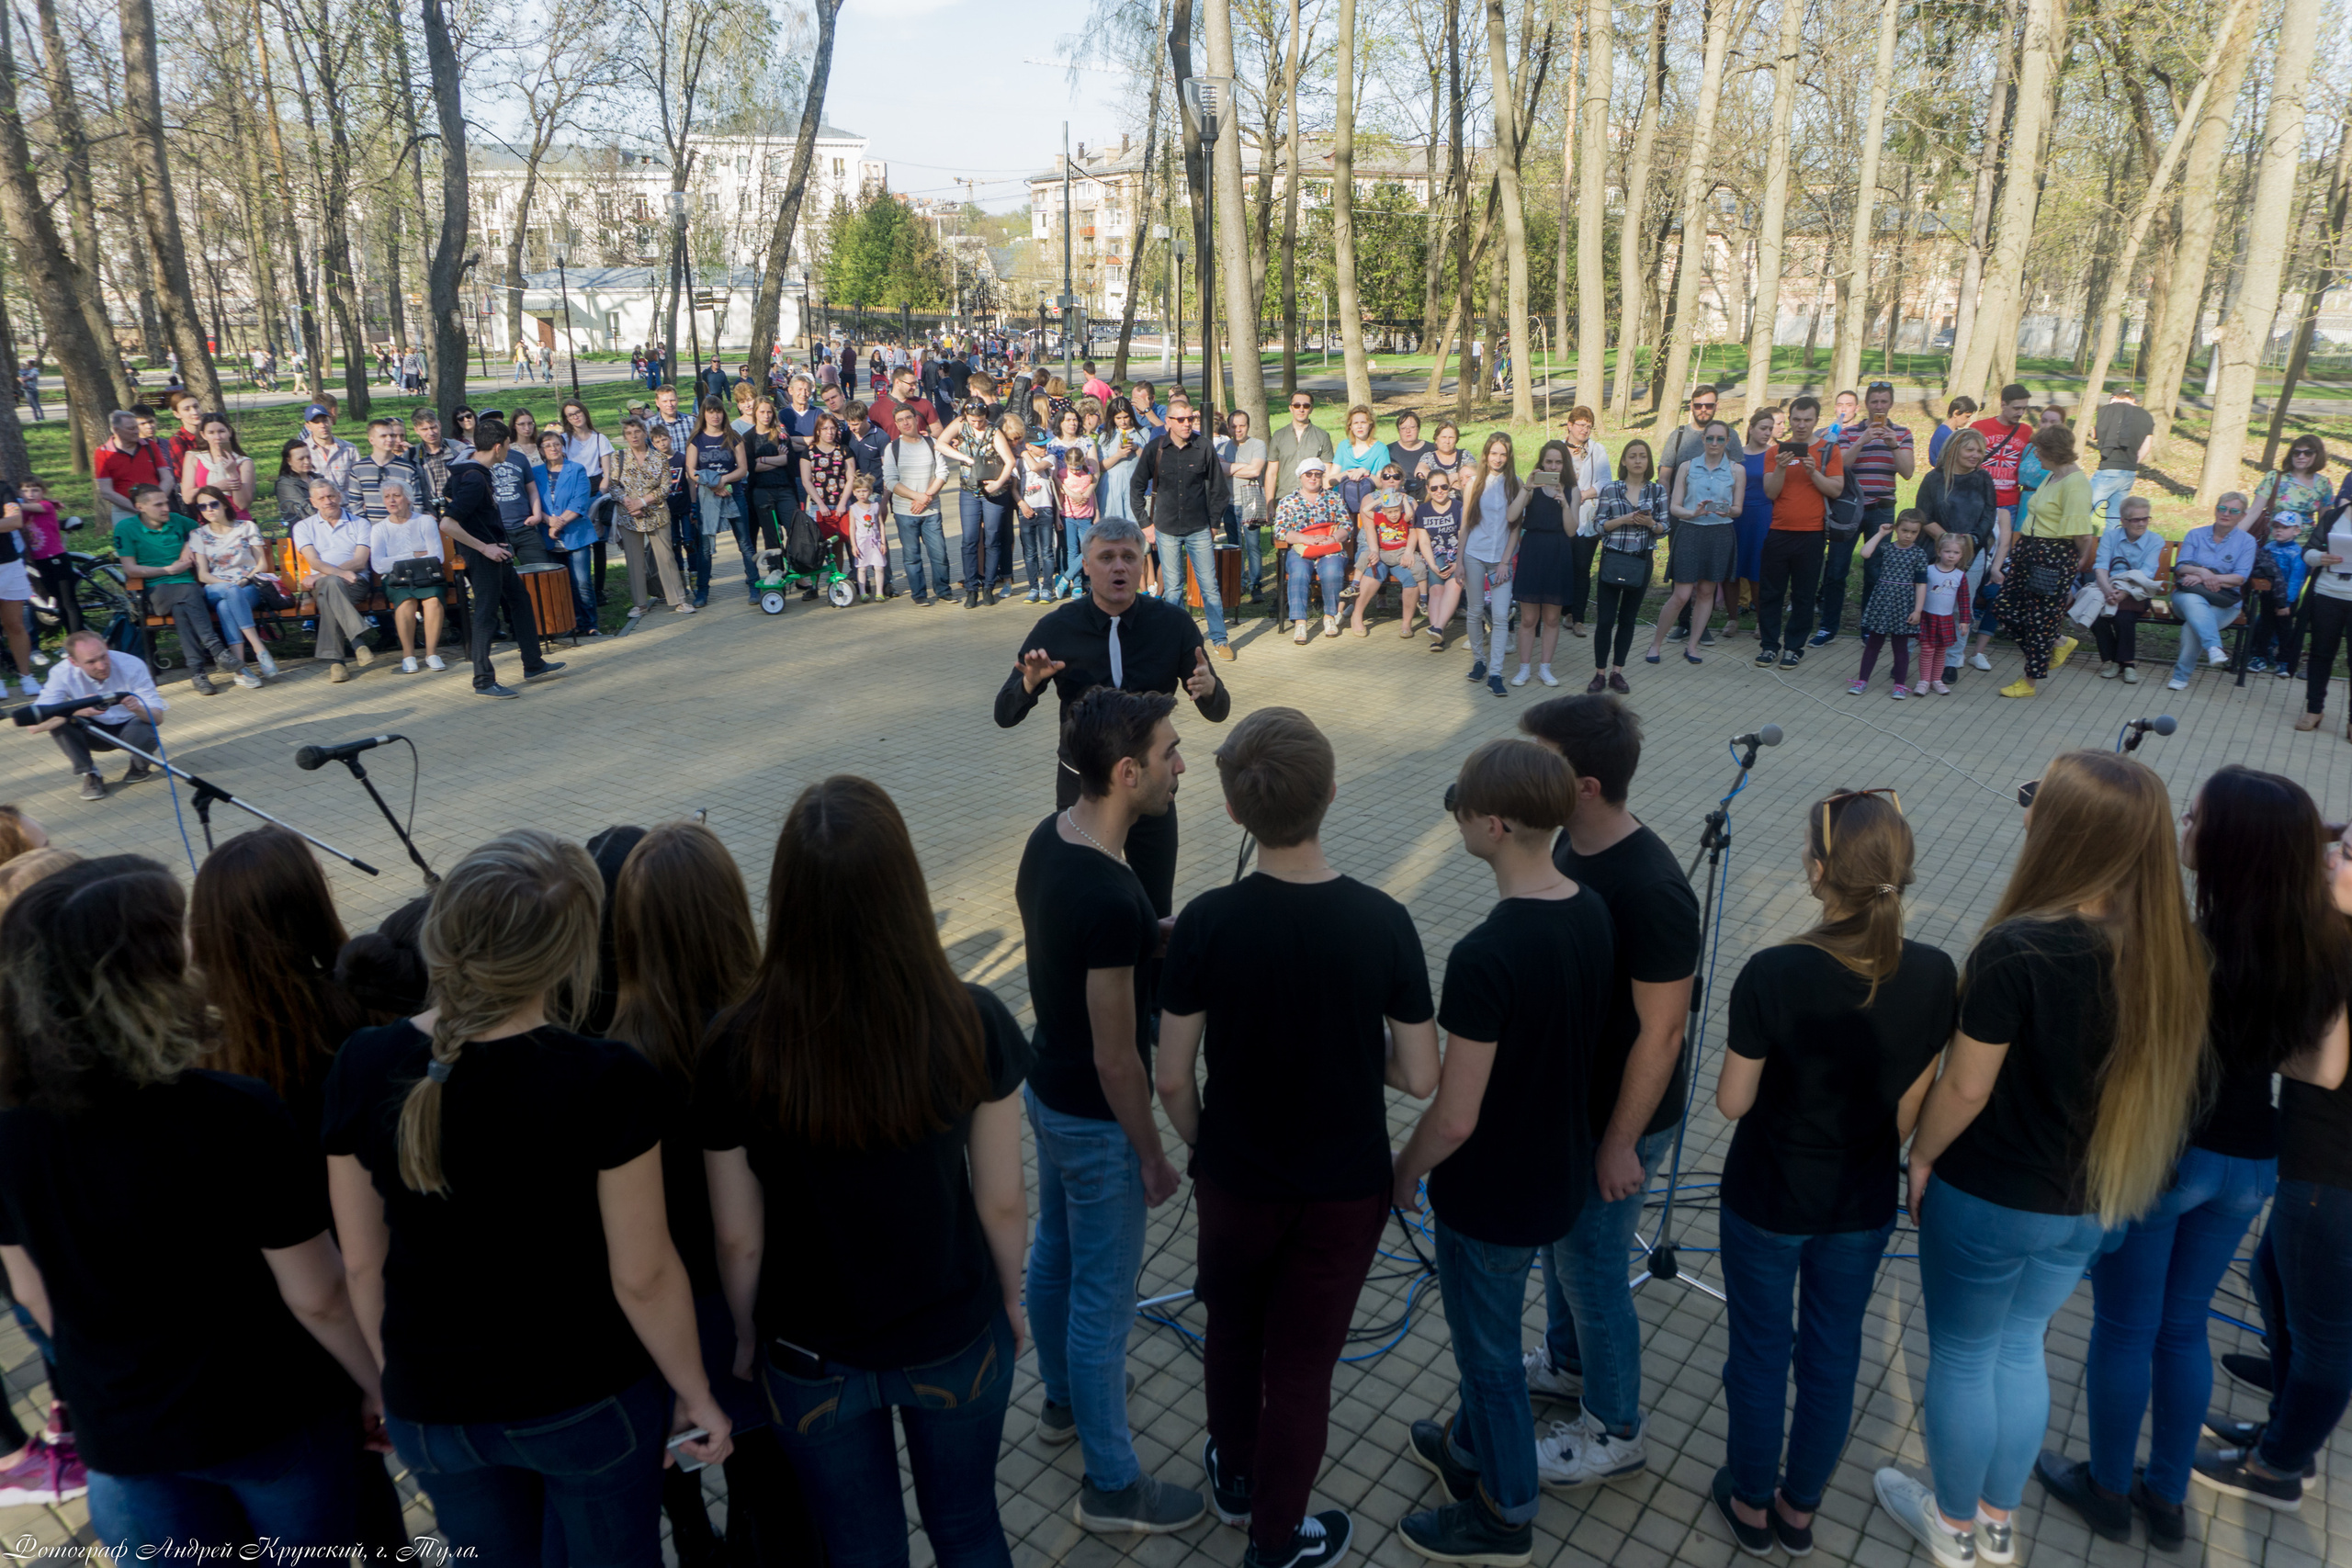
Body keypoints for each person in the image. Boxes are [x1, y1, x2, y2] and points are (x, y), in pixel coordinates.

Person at [322, 829, 734, 1562]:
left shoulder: (362, 1061)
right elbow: (643, 1274)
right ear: (570, 955)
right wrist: (694, 1389)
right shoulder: (608, 1079)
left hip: (434, 1406)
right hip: (587, 1401)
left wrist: (396, 1378)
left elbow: (360, 1262)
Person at [1876, 751, 2207, 1568]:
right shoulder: (2175, 949)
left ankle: (1950, 1526)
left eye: (2036, 796)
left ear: (2065, 828)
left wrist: (1920, 1158)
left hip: (1988, 1195)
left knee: (1961, 1353)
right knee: (2021, 1347)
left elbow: (1964, 1088)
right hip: (2091, 1199)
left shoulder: (2016, 947)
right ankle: (1995, 1522)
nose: (2023, 804)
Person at [0, 855, 387, 1553]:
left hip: (124, 1433)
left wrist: (120, 1375)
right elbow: (319, 1294)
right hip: (272, 1417)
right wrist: (378, 1383)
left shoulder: (9, 1131)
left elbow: (31, 1290)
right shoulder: (233, 1112)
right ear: (147, 977)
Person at [695, 783, 1026, 1566]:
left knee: (860, 1549)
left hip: (809, 1355)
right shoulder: (973, 1019)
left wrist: (745, 1335)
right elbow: (1004, 1199)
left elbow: (738, 1236)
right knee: (971, 1527)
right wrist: (1010, 1298)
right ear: (906, 888)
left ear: (785, 897)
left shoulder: (736, 1045)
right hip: (954, 1333)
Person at [2027, 769, 2352, 1545]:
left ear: (2227, 845)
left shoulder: (2182, 943)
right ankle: (2167, 1498)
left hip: (2168, 1158)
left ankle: (2107, 1487)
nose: (2183, 829)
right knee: (2183, 1328)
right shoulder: (2321, 940)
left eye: (2196, 818)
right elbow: (2323, 1070)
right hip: (2252, 1166)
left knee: (2126, 1328)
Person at [1156, 708, 1440, 1568]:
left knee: (1232, 1332)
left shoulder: (1204, 921)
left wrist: (1207, 1145)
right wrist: (1355, 1053)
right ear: (1332, 796)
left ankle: (1235, 1476)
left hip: (1237, 1175)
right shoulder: (1384, 919)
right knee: (1304, 1368)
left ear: (1235, 812)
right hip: (1343, 1187)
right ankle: (1276, 1540)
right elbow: (1422, 1074)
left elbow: (1172, 1074)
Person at [1710, 791, 1954, 1559]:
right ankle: (1798, 1505)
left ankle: (1748, 1501)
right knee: (1833, 1350)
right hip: (1861, 1195)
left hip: (1767, 1193)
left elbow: (1731, 1100)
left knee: (1757, 1348)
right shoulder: (1938, 971)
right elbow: (1913, 1104)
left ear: (1820, 872)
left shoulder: (1774, 970)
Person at [1392, 738, 1612, 1568]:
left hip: (1491, 1194)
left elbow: (1454, 1114)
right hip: (1556, 1174)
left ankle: (1505, 1512)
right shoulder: (1588, 908)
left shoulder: (1484, 955)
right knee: (1490, 1337)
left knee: (1487, 1355)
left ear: (1492, 825)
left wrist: (1403, 1169)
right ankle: (1469, 1452)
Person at [1012, 687, 1205, 1533]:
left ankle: (1062, 1401)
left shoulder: (1052, 838)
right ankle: (1112, 1485)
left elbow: (1078, 954)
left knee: (1055, 1254)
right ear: (1127, 772)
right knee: (1103, 1304)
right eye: (1169, 751)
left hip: (1045, 1093)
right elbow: (1118, 1055)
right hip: (1095, 1121)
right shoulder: (1108, 894)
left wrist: (1144, 936)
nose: (1180, 764)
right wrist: (1154, 1154)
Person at [1515, 696, 1700, 1490]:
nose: (1522, 773)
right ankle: (1564, 1364)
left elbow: (1663, 1033)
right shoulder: (1568, 843)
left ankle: (1615, 1426)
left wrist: (1621, 1140)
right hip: (1575, 1108)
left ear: (1585, 784)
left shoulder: (1653, 888)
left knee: (1592, 1268)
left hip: (1621, 1118)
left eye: (1538, 762)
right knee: (1564, 1251)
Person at [2196, 815, 2352, 1512]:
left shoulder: (2343, 948)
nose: (2328, 863)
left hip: (2330, 1169)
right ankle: (2286, 1426)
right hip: (2321, 1164)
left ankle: (2279, 1466)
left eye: (2344, 855)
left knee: (2325, 1335)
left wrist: (2255, 1049)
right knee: (2273, 1277)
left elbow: (2322, 1066)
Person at [995, 519, 1230, 918]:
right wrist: (1030, 684)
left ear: (1142, 564)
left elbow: (1218, 710)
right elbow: (1004, 714)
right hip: (1082, 782)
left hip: (1151, 783)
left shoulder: (1173, 625)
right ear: (1085, 565)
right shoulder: (1056, 627)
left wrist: (1210, 690)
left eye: (1128, 557)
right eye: (1106, 558)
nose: (1118, 567)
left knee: (1155, 908)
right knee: (1080, 899)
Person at [439, 416, 563, 700]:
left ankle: (533, 663)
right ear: (497, 447)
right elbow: (447, 524)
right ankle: (483, 680)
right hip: (485, 555)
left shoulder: (468, 469)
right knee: (485, 614)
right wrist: (484, 546)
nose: (509, 449)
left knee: (520, 600)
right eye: (508, 444)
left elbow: (447, 495)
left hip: (498, 551)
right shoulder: (472, 479)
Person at [1992, 423, 2092, 698]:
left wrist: (2079, 558)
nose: (2035, 455)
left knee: (2040, 621)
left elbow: (2082, 532)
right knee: (2005, 608)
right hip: (2030, 548)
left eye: (2040, 450)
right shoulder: (2052, 477)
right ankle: (2058, 642)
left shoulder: (2075, 484)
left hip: (2053, 556)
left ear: (2055, 452)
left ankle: (2030, 681)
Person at [119, 483, 249, 694]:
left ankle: (198, 674)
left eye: (166, 503)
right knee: (189, 592)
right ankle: (217, 650)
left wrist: (190, 544)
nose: (166, 508)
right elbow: (130, 569)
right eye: (158, 504)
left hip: (186, 592)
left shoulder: (179, 522)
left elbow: (201, 531)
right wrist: (168, 570)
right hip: (154, 591)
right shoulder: (126, 528)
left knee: (182, 608)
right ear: (140, 507)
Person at [1812, 382, 1914, 647]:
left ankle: (1869, 626)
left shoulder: (1902, 433)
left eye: (1884, 402)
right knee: (1836, 569)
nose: (1879, 406)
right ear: (1866, 404)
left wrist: (1893, 445)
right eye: (1874, 402)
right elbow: (1841, 466)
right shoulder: (1848, 432)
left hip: (1882, 510)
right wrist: (1862, 440)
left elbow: (1908, 472)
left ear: (1890, 404)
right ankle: (1828, 627)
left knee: (1875, 571)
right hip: (1848, 507)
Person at [1133, 396, 1235, 660]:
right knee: (1174, 589)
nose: (1188, 423)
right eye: (1181, 419)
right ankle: (1174, 640)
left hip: (1199, 527)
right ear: (1168, 422)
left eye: (1191, 418)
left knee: (1209, 586)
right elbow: (1134, 489)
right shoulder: (1155, 449)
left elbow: (1219, 491)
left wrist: (1213, 525)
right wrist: (1146, 524)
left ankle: (1220, 640)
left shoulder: (1204, 447)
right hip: (1165, 527)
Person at [1753, 396, 1846, 669]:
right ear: (1788, 420)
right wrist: (1782, 466)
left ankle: (1794, 647)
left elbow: (1836, 490)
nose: (1801, 425)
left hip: (1812, 534)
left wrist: (1814, 473)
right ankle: (1769, 646)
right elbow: (1771, 492)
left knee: (1804, 595)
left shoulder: (1829, 450)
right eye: (1796, 419)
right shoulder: (1774, 452)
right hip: (1779, 532)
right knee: (1771, 593)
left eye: (1807, 420)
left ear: (1816, 420)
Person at [24, 630, 165, 800]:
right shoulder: (61, 674)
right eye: (91, 662)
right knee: (60, 719)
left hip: (130, 726)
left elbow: (158, 718)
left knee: (144, 727)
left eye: (103, 656)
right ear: (73, 661)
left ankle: (140, 764)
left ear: (106, 647)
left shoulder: (132, 665)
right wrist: (75, 709)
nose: (101, 666)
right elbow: (33, 725)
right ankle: (90, 774)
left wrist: (138, 708)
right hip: (90, 730)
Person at [1916, 428, 2006, 681]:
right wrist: (1948, 542)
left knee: (1960, 607)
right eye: (1970, 449)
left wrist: (1971, 542)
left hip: (1972, 552)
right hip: (1935, 551)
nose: (1976, 455)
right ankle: (1914, 649)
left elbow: (1989, 514)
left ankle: (1952, 659)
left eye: (1980, 450)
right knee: (1926, 602)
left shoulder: (1984, 479)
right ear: (1955, 449)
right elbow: (1923, 516)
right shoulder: (1934, 479)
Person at [1651, 423, 1741, 665]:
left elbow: (1738, 509)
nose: (1714, 443)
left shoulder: (1736, 470)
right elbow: (1675, 506)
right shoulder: (1687, 467)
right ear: (1702, 439)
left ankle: (1693, 646)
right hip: (1690, 531)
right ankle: (1656, 644)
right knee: (1681, 594)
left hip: (1720, 533)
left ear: (1728, 441)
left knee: (1706, 592)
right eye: (1710, 438)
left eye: (1720, 439)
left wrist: (1726, 511)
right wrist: (1692, 513)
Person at [1583, 441, 1666, 690]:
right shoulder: (1610, 489)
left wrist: (1650, 523)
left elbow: (1664, 529)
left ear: (1648, 462)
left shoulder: (1657, 491)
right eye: (1632, 456)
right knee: (1606, 619)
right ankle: (1599, 673)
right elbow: (1599, 525)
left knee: (1628, 620)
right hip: (1613, 558)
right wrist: (1624, 519)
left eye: (1643, 456)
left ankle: (1617, 672)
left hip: (1641, 561)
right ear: (1624, 461)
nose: (1638, 460)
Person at [2165, 491, 2257, 693]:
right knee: (2193, 602)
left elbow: (2239, 578)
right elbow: (2181, 568)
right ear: (2215, 510)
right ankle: (2213, 647)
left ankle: (2181, 676)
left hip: (2223, 602)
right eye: (2222, 508)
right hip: (2187, 597)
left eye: (2234, 511)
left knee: (2193, 626)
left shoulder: (2247, 542)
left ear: (2242, 516)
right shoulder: (2196, 535)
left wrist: (2201, 577)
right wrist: (2203, 572)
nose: (2226, 514)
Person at [186, 484, 277, 685]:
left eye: (213, 504)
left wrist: (244, 580)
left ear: (225, 504)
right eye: (203, 507)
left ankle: (241, 669)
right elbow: (202, 575)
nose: (209, 509)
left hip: (248, 586)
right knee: (229, 592)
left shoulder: (247, 527)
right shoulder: (198, 535)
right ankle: (259, 647)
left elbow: (261, 563)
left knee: (226, 606)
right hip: (216, 588)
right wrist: (229, 584)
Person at [289, 480, 379, 683]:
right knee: (330, 585)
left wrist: (331, 574)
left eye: (330, 496)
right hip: (328, 583)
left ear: (339, 496)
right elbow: (314, 561)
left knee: (329, 589)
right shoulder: (303, 527)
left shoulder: (360, 523)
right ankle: (358, 643)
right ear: (313, 502)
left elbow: (360, 560)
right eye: (321, 498)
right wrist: (338, 574)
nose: (327, 501)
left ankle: (337, 662)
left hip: (355, 583)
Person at [1507, 439, 1574, 689]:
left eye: (1558, 461)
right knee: (1528, 619)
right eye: (1549, 461)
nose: (1554, 466)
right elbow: (1512, 516)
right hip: (1533, 551)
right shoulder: (1532, 487)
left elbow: (1571, 530)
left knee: (1552, 618)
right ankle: (1524, 668)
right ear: (1541, 462)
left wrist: (1565, 504)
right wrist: (1527, 488)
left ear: (1564, 463)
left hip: (1558, 552)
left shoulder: (1571, 490)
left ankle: (1545, 668)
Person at [613, 417, 693, 618]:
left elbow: (665, 487)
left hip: (656, 514)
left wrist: (642, 502)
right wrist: (629, 503)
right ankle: (640, 604)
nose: (633, 437)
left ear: (645, 433)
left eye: (637, 432)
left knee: (666, 558)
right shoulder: (618, 457)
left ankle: (678, 599)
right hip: (629, 515)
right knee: (635, 560)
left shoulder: (659, 458)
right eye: (629, 433)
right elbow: (613, 485)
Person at [1461, 434, 1522, 697]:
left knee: (1500, 615)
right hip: (1474, 553)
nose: (1498, 459)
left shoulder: (1516, 484)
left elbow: (1516, 527)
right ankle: (1479, 661)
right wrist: (1458, 562)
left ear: (1509, 457)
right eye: (1494, 453)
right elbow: (1466, 523)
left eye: (1503, 454)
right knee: (1475, 611)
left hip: (1501, 559)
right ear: (1486, 454)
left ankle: (1496, 673)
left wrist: (1505, 562)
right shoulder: (1474, 483)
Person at [368, 479, 449, 673]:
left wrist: (395, 560)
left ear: (409, 498)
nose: (391, 501)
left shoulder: (425, 521)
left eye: (396, 495)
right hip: (398, 581)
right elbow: (378, 565)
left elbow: (437, 555)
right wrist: (414, 555)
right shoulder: (379, 529)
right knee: (406, 603)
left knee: (432, 602)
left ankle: (432, 654)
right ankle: (409, 656)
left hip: (428, 577)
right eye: (387, 497)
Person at [1849, 510, 1931, 697]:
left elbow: (1921, 584)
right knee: (1873, 643)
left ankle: (1899, 685)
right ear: (1896, 529)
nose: (1908, 535)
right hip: (1882, 602)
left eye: (1913, 532)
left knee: (1900, 646)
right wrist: (1880, 533)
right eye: (1904, 530)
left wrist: (1918, 610)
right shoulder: (1887, 548)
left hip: (1903, 605)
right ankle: (1862, 680)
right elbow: (1865, 553)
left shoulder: (1919, 554)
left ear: (1919, 533)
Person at [1272, 457, 1353, 644]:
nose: (1313, 478)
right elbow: (1281, 530)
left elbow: (1346, 525)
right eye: (1309, 474)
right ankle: (1300, 622)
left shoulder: (1334, 498)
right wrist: (1306, 539)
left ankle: (1330, 617)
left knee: (1332, 571)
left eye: (1318, 474)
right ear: (1301, 476)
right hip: (1301, 548)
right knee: (1298, 573)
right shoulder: (1288, 501)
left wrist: (1332, 538)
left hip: (1329, 547)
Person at [2087, 494, 2165, 683]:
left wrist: (2124, 593)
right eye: (2136, 519)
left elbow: (2147, 573)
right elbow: (2101, 566)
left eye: (2145, 518)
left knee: (2124, 617)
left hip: (2137, 591)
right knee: (2096, 616)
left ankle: (2127, 663)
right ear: (2123, 521)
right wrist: (2107, 590)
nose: (2141, 523)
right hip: (2109, 588)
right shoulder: (2110, 536)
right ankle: (2116, 661)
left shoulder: (2155, 541)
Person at [533, 430, 598, 637]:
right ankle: (567, 624)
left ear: (562, 446)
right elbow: (532, 502)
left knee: (582, 583)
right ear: (541, 451)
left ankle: (589, 624)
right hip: (548, 536)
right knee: (560, 585)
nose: (552, 448)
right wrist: (548, 520)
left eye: (556, 444)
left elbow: (579, 502)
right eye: (547, 446)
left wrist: (558, 524)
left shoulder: (577, 469)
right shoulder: (535, 473)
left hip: (576, 534)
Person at [687, 398, 751, 603]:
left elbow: (742, 469)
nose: (715, 416)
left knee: (745, 543)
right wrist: (712, 484)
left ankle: (754, 584)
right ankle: (703, 591)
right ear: (703, 414)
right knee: (705, 547)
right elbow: (691, 471)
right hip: (708, 497)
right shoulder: (696, 440)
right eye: (710, 412)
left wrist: (722, 481)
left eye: (718, 411)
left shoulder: (734, 438)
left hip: (734, 494)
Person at [1559, 409, 1611, 637]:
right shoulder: (1557, 449)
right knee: (1563, 566)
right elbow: (1546, 476)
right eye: (1580, 424)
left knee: (1582, 568)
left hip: (1587, 518)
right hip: (1561, 517)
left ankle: (1578, 617)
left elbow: (1605, 482)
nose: (1584, 429)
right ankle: (1563, 611)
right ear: (1569, 425)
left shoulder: (1597, 450)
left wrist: (1583, 494)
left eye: (1588, 426)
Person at [1219, 409, 1269, 604]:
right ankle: (1237, 582)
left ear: (1248, 426)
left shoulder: (1258, 444)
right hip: (1230, 503)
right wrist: (1243, 467)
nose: (1238, 430)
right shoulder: (1223, 447)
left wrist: (1230, 467)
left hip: (1251, 501)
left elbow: (1256, 470)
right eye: (1234, 426)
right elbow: (1219, 469)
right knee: (1234, 545)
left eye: (1242, 426)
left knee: (1253, 545)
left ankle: (1255, 584)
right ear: (1229, 427)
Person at [2086, 389, 2155, 526]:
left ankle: (2075, 545)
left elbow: (2095, 434)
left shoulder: (2112, 411)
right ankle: (2111, 548)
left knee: (2083, 511)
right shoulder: (2147, 416)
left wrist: (2088, 429)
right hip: (2129, 473)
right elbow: (2147, 447)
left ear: (2115, 398)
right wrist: (2131, 463)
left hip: (2108, 471)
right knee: (2114, 521)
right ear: (2133, 399)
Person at [1917, 533, 1973, 695]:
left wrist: (1964, 620)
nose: (1951, 556)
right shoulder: (1928, 571)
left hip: (1945, 619)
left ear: (1961, 555)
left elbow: (1964, 600)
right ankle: (1924, 680)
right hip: (1927, 617)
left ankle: (1936, 680)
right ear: (1939, 551)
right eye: (1948, 551)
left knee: (1941, 651)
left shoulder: (1960, 576)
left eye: (1956, 553)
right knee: (1927, 650)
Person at [94, 410, 165, 525]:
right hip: (125, 511)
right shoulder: (103, 453)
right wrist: (137, 508)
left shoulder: (150, 446)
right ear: (116, 430)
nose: (136, 432)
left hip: (156, 508)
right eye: (131, 429)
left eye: (137, 427)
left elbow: (168, 478)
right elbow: (106, 491)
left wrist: (158, 502)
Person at [1267, 390, 1336, 511]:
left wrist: (1324, 503)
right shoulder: (1279, 436)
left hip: (1313, 501)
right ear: (1290, 408)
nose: (1301, 409)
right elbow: (1271, 473)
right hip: (1285, 500)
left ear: (1311, 409)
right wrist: (1269, 504)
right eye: (1297, 405)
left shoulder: (1322, 436)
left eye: (1306, 405)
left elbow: (1327, 473)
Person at [179, 412, 254, 519]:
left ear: (229, 432)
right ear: (203, 435)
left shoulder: (244, 462)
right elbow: (187, 497)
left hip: (237, 519)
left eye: (221, 431)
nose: (217, 437)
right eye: (211, 432)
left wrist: (232, 472)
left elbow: (242, 504)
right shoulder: (194, 457)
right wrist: (216, 487)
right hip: (208, 520)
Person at [1928, 396, 1979, 466]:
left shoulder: (1952, 431)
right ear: (1956, 413)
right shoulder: (1944, 434)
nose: (1969, 420)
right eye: (1967, 416)